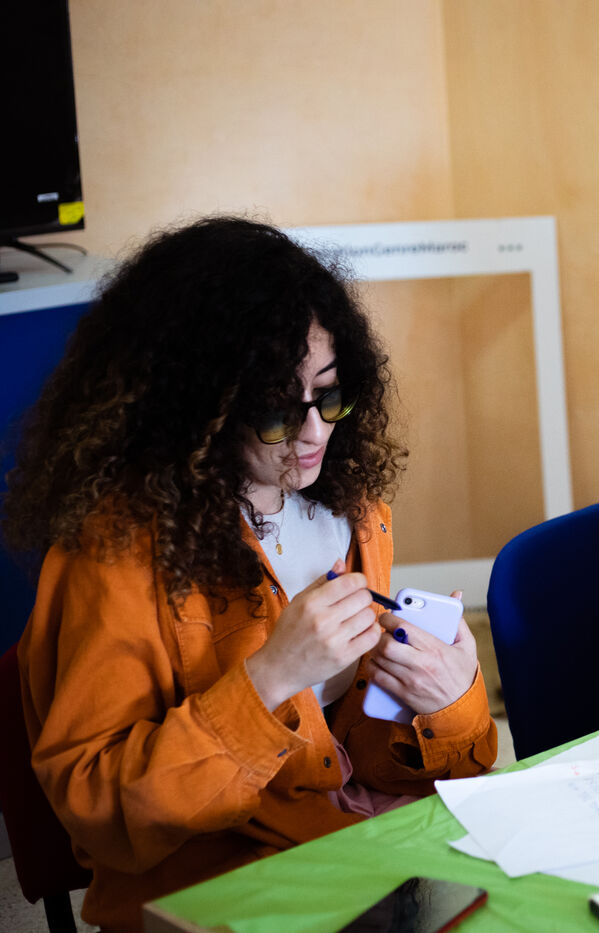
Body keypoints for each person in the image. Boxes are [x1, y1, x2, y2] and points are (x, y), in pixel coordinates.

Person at [3, 217, 497, 931]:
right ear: (194, 409)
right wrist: (269, 679)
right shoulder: (112, 555)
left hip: (350, 846)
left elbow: (355, 758)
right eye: (275, 412)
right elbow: (99, 810)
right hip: (214, 884)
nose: (315, 433)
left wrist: (449, 700)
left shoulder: (354, 510)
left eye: (332, 395)